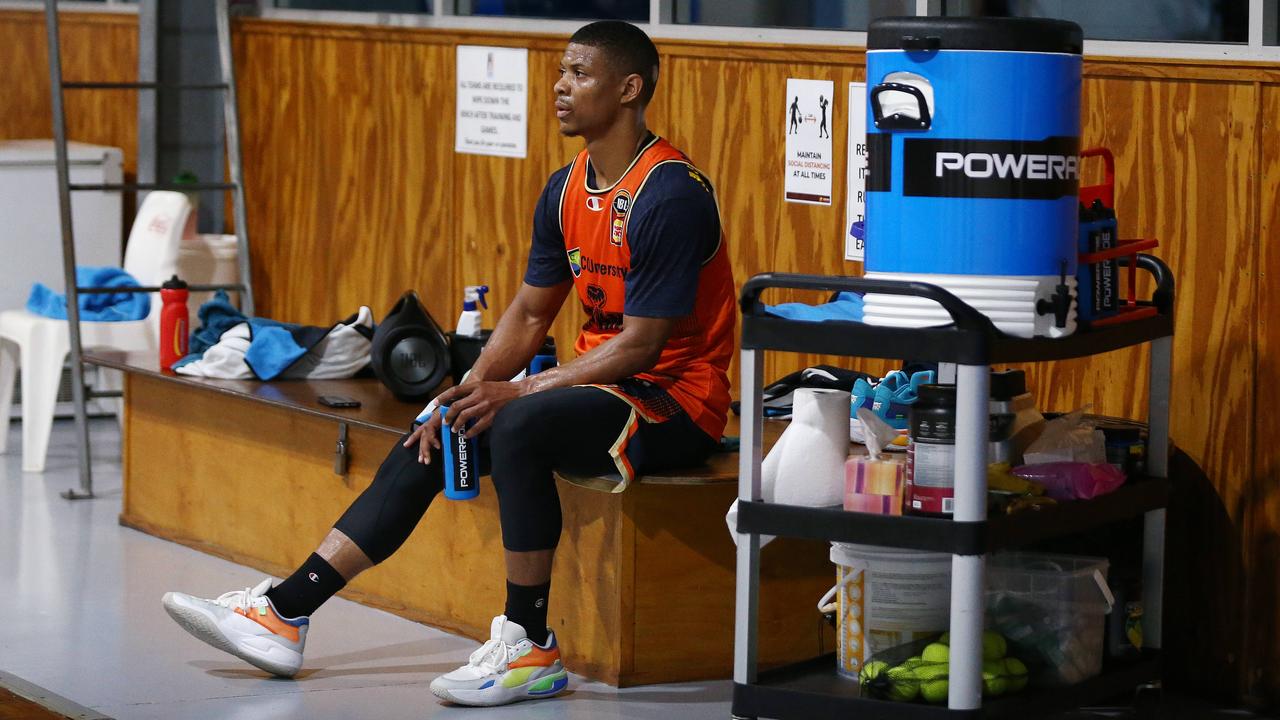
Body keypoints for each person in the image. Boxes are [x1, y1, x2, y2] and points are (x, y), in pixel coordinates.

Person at [160, 20, 735, 708]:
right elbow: (526, 316)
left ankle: (529, 645)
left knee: (521, 422)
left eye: (580, 74)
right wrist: (465, 391)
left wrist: (517, 392)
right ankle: (285, 612)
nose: (559, 86)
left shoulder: (669, 193)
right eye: (561, 71)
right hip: (598, 388)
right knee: (444, 422)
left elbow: (642, 345)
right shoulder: (563, 189)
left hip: (675, 402)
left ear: (629, 88)